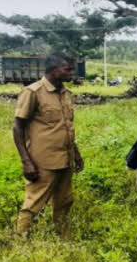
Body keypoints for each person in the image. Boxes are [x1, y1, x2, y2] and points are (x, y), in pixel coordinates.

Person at [12, 54, 84, 237]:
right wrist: (26, 161)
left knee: (65, 201)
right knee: (33, 203)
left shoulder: (66, 94)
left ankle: (62, 237)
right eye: (67, 69)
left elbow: (67, 127)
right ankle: (21, 241)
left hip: (65, 159)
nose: (71, 72)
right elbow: (18, 127)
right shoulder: (33, 92)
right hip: (42, 161)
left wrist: (76, 153)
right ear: (54, 70)